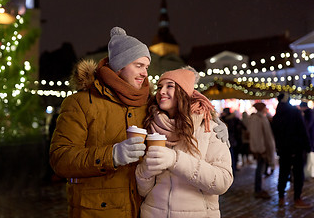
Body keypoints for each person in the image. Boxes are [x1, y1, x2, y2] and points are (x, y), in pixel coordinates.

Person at [49, 27, 229, 218]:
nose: (145, 73)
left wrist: (215, 120)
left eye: (146, 67)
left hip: (141, 210)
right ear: (120, 66)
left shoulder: (149, 103)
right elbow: (60, 159)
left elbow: (186, 104)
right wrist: (112, 155)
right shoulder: (81, 102)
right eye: (139, 65)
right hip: (98, 211)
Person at [135, 66, 233, 218]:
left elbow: (222, 182)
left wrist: (175, 160)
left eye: (170, 86)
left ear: (183, 91)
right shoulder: (151, 126)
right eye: (160, 86)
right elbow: (144, 191)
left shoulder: (208, 128)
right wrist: (146, 171)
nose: (161, 92)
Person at [271, 93, 312, 209]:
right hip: (297, 148)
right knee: (298, 174)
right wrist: (308, 147)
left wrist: (279, 147)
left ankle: (281, 198)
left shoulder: (276, 115)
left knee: (283, 173)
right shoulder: (294, 112)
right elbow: (303, 130)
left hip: (283, 150)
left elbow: (275, 134)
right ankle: (297, 199)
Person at [247, 102, 276, 199]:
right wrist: (261, 149)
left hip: (264, 148)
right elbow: (257, 136)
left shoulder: (261, 118)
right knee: (260, 169)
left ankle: (259, 188)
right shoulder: (257, 119)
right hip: (261, 149)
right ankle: (258, 190)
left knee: (261, 168)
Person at [220, 107, 243, 176]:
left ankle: (232, 172)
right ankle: (233, 170)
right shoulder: (234, 119)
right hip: (234, 140)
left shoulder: (226, 120)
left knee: (231, 157)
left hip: (230, 140)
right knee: (233, 156)